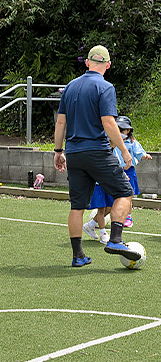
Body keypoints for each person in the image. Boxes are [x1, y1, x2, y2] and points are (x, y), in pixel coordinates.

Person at [54, 44, 142, 267]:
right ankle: (115, 239)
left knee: (77, 206)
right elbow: (109, 122)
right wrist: (124, 150)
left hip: (74, 153)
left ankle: (78, 256)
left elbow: (61, 122)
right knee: (124, 192)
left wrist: (58, 151)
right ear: (108, 65)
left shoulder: (70, 88)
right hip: (97, 152)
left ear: (87, 63)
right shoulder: (105, 87)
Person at [113, 115, 152, 228]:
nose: (119, 132)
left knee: (128, 195)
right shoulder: (112, 141)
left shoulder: (132, 142)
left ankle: (128, 216)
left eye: (122, 130)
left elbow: (139, 153)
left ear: (128, 130)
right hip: (115, 171)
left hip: (129, 171)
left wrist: (144, 156)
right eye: (118, 129)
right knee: (115, 195)